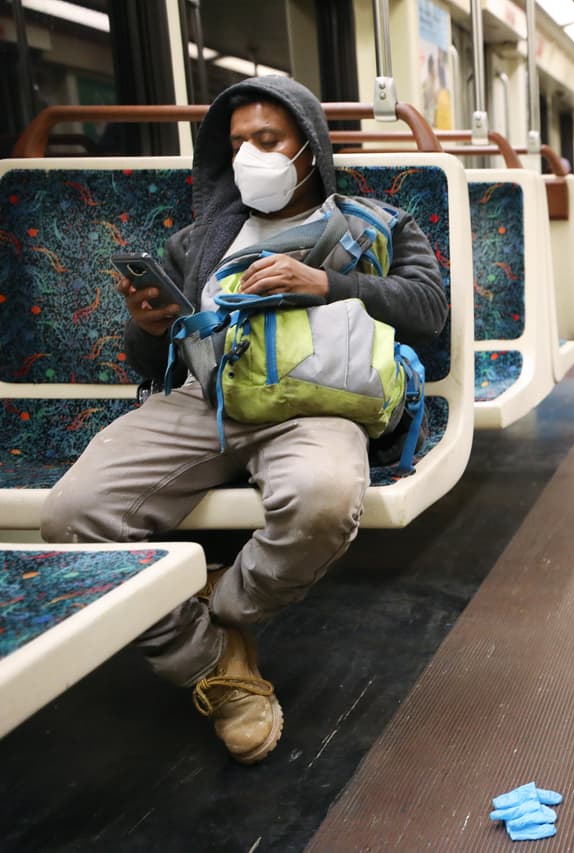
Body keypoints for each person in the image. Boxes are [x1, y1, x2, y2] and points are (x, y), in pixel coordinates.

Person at [40, 77, 448, 765]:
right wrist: (149, 326)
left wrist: (329, 284)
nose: (250, 156)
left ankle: (225, 608)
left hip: (316, 404)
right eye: (236, 144)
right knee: (71, 517)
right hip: (209, 400)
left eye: (268, 140)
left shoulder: (375, 224)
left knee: (321, 503)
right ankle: (215, 665)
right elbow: (153, 359)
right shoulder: (202, 241)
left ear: (309, 148)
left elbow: (430, 310)